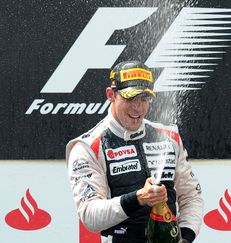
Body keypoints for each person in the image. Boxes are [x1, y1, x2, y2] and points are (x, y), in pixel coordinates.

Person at [66, 61, 203, 243]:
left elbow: (191, 196)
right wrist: (138, 198)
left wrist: (185, 237)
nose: (138, 108)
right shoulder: (88, 147)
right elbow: (90, 216)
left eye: (144, 98)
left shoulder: (169, 137)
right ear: (111, 95)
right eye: (130, 98)